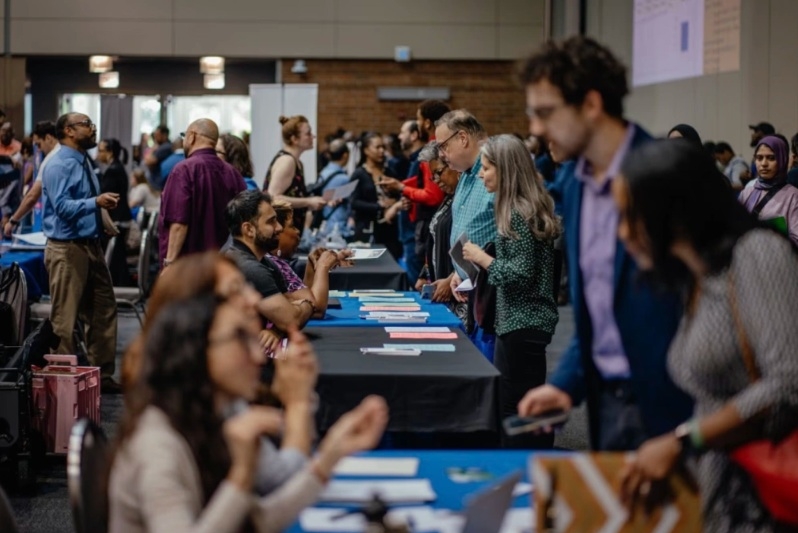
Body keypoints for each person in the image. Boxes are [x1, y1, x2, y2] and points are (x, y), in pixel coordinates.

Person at [517, 36, 693, 450]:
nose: (536, 130)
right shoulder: (574, 184)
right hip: (605, 402)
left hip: (677, 408)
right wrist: (565, 384)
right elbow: (597, 311)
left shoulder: (669, 175)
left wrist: (692, 432)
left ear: (591, 105)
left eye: (545, 113)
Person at [613, 140, 798, 532]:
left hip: (768, 501)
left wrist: (684, 440)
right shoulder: (697, 277)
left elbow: (788, 382)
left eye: (632, 215)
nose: (624, 232)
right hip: (724, 493)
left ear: (672, 211)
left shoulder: (757, 253)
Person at [109, 292, 389, 533]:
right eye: (240, 340)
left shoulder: (213, 413)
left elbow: (256, 520)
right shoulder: (157, 442)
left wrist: (329, 456)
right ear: (197, 350)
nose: (258, 356)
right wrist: (242, 476)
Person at [462, 135, 560, 449]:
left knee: (517, 409)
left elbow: (519, 274)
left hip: (522, 321)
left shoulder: (517, 211)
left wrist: (481, 258)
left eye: (486, 168)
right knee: (527, 407)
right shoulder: (523, 206)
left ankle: (523, 468)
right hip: (523, 321)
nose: (481, 175)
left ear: (505, 170)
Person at [41, 113, 121, 392]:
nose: (93, 128)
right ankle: (62, 383)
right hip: (67, 249)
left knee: (103, 310)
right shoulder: (59, 164)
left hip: (91, 246)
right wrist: (95, 202)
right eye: (86, 124)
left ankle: (102, 377)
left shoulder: (83, 161)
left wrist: (102, 219)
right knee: (65, 319)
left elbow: (84, 202)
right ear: (69, 130)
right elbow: (62, 207)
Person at [224, 190, 323, 332]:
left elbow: (289, 310)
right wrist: (308, 304)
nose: (280, 228)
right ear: (249, 229)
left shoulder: (265, 262)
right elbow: (292, 320)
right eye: (271, 222)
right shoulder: (250, 268)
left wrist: (276, 331)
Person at [158, 119, 246, 268]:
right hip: (222, 266)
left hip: (187, 266)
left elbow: (178, 223)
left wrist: (170, 263)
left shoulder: (184, 170)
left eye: (184, 136)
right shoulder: (233, 173)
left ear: (192, 136)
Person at [380, 120, 445, 284]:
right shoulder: (416, 159)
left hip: (420, 228)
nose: (399, 136)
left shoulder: (428, 157)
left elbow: (432, 195)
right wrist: (400, 188)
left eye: (403, 132)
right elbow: (419, 185)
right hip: (415, 229)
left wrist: (402, 188)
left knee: (418, 282)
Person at [269, 199, 345, 318]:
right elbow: (316, 309)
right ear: (277, 232)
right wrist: (323, 266)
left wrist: (311, 266)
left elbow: (305, 298)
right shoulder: (271, 263)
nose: (297, 231)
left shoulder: (278, 262)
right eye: (292, 226)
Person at [263, 115, 327, 232]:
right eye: (308, 134)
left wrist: (317, 200)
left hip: (289, 230)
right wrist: (308, 202)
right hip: (280, 232)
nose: (313, 136)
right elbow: (273, 197)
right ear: (294, 139)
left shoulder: (297, 162)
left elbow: (295, 196)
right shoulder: (287, 161)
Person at [414, 143, 460, 302]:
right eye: (433, 176)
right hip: (441, 282)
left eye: (439, 173)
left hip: (456, 288)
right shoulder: (449, 197)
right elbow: (434, 239)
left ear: (453, 166)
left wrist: (452, 278)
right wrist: (425, 272)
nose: (436, 181)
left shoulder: (464, 200)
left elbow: (472, 246)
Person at [349, 132, 403, 259]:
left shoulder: (390, 172)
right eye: (377, 147)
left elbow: (401, 195)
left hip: (389, 231)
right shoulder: (359, 174)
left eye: (383, 147)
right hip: (366, 230)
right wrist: (378, 205)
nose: (382, 151)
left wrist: (394, 203)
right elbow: (354, 202)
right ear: (366, 150)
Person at [3, 121, 61, 236]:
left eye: (39, 144)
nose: (39, 150)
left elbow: (32, 196)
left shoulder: (50, 160)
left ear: (48, 138)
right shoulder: (71, 153)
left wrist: (13, 221)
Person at [738, 135, 798, 245]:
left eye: (771, 158)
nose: (764, 164)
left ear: (782, 159)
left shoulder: (793, 195)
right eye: (759, 158)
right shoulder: (746, 193)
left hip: (777, 254)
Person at [97, 138, 134, 286]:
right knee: (118, 259)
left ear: (110, 152)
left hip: (117, 220)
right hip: (122, 217)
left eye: (100, 151)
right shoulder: (118, 168)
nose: (98, 154)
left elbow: (106, 199)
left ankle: (118, 287)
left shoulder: (113, 171)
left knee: (116, 260)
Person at [313, 138, 351, 232]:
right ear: (345, 155)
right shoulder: (344, 179)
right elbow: (350, 203)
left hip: (324, 222)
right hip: (339, 225)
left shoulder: (323, 173)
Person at [143, 124, 173, 189]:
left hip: (158, 182)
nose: (155, 137)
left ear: (164, 135)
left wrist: (152, 149)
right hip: (155, 181)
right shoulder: (160, 146)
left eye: (157, 135)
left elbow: (148, 161)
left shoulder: (166, 147)